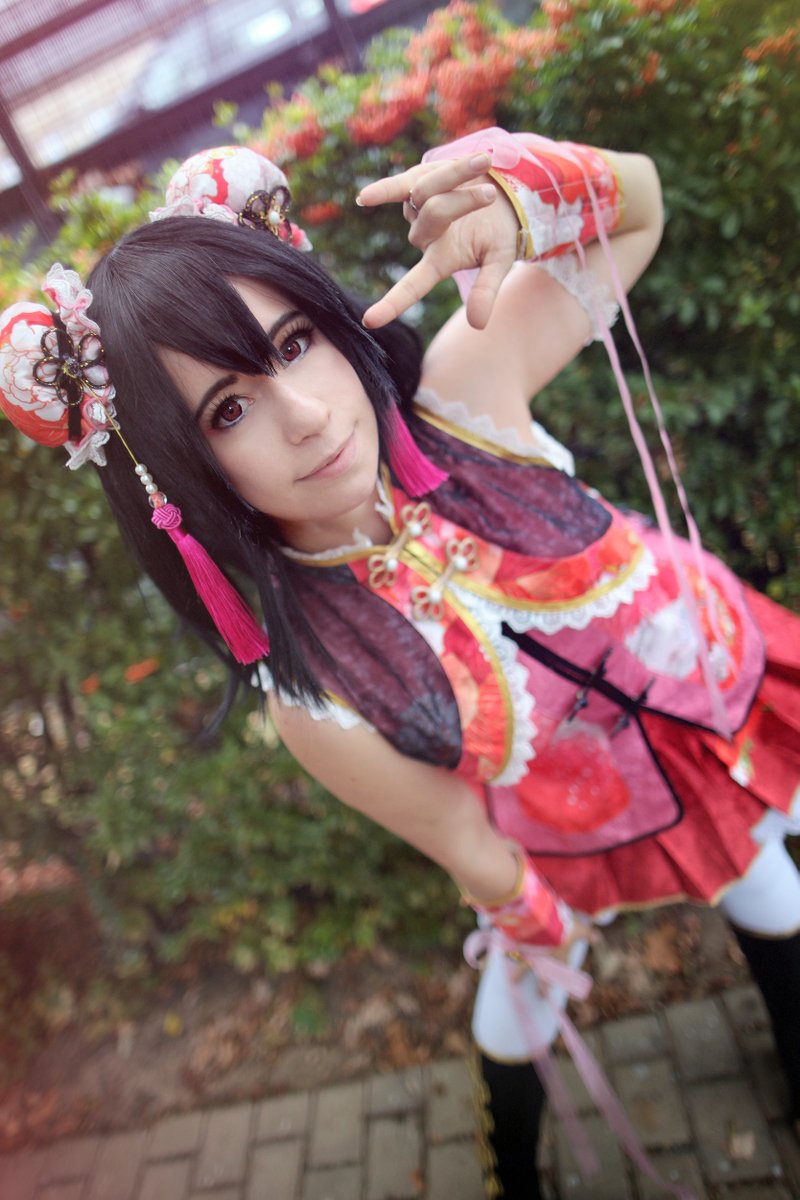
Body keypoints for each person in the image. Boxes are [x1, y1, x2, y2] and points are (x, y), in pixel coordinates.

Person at [1, 131, 798, 1199]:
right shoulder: (317, 695)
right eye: (228, 410)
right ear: (177, 476)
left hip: (720, 686)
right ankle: (511, 1165)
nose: (306, 415)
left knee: (769, 890)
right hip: (564, 822)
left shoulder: (470, 397)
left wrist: (530, 195)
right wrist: (539, 923)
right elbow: (472, 848)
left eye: (293, 343)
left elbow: (644, 204)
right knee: (526, 996)